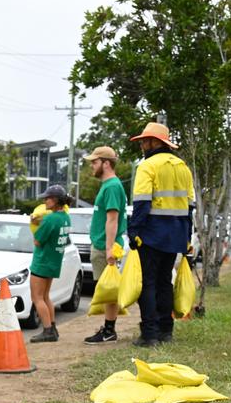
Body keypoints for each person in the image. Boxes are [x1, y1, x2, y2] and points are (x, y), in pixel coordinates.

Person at [127, 122, 195, 348]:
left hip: (152, 233)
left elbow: (142, 203)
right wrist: (187, 236)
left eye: (144, 141)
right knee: (165, 281)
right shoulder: (183, 166)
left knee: (148, 283)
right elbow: (190, 206)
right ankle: (166, 330)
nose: (142, 146)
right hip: (175, 234)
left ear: (156, 142)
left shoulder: (148, 166)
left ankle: (149, 334)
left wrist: (134, 230)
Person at [83, 146, 128, 345]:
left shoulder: (111, 186)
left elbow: (112, 219)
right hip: (103, 244)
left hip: (105, 246)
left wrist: (109, 248)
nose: (92, 166)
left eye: (94, 162)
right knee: (106, 289)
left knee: (108, 290)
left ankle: (109, 330)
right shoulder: (110, 185)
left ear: (106, 163)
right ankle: (108, 328)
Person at [29, 185, 73, 343]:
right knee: (46, 296)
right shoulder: (65, 217)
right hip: (54, 261)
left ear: (55, 200)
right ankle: (52, 327)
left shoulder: (49, 218)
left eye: (47, 198)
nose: (44, 201)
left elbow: (37, 241)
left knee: (37, 297)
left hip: (42, 262)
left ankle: (47, 330)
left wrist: (35, 222)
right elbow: (54, 226)